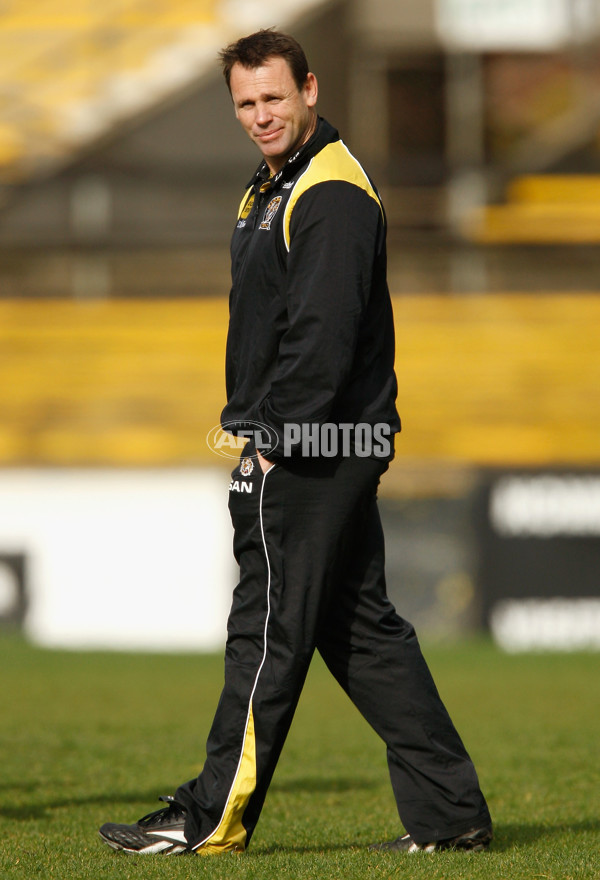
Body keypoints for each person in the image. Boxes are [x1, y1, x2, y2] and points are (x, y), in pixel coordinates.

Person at [99, 28, 492, 856]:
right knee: (362, 632)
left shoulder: (330, 191)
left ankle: (211, 819)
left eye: (273, 97)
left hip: (311, 449)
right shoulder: (273, 182)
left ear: (311, 89)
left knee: (266, 633)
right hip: (320, 440)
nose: (259, 115)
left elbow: (323, 335)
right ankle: (451, 817)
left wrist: (270, 442)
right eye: (244, 103)